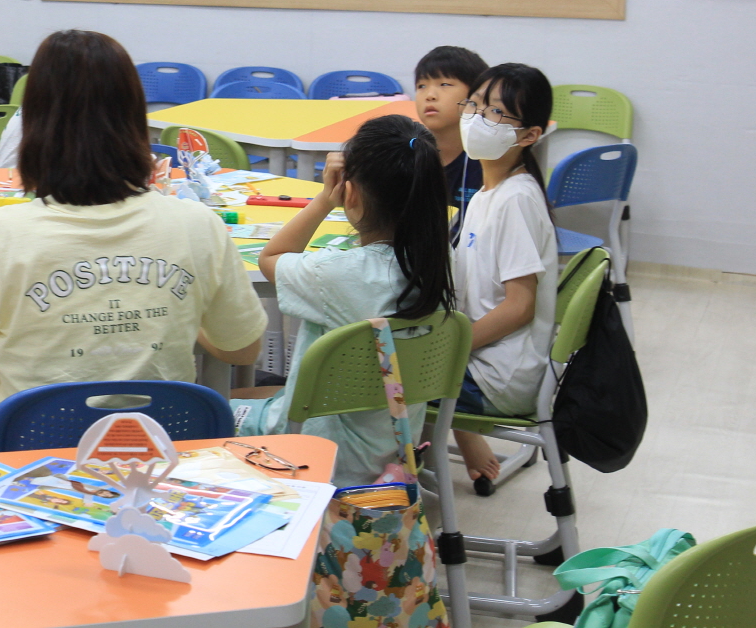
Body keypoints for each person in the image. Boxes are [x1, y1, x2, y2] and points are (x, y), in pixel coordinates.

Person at [0, 29, 266, 434]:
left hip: (35, 461)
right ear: (135, 117)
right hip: (164, 456)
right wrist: (176, 316)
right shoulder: (198, 225)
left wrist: (8, 326)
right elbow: (243, 350)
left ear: (33, 123)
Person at [231, 115, 453, 487]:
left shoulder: (335, 273)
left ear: (350, 195)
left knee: (212, 404)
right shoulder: (443, 264)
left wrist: (323, 199)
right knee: (267, 391)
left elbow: (270, 258)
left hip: (316, 454)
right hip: (396, 448)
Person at [448, 63, 558, 485]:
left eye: (495, 112)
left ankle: (389, 481)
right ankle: (413, 460)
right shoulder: (487, 193)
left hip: (496, 376)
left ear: (529, 135)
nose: (477, 119)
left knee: (374, 373)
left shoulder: (515, 200)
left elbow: (519, 306)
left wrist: (447, 349)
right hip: (483, 361)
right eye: (474, 105)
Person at [413, 45, 489, 239]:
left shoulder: (488, 160)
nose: (430, 95)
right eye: (421, 86)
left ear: (476, 96)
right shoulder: (409, 152)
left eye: (444, 84)